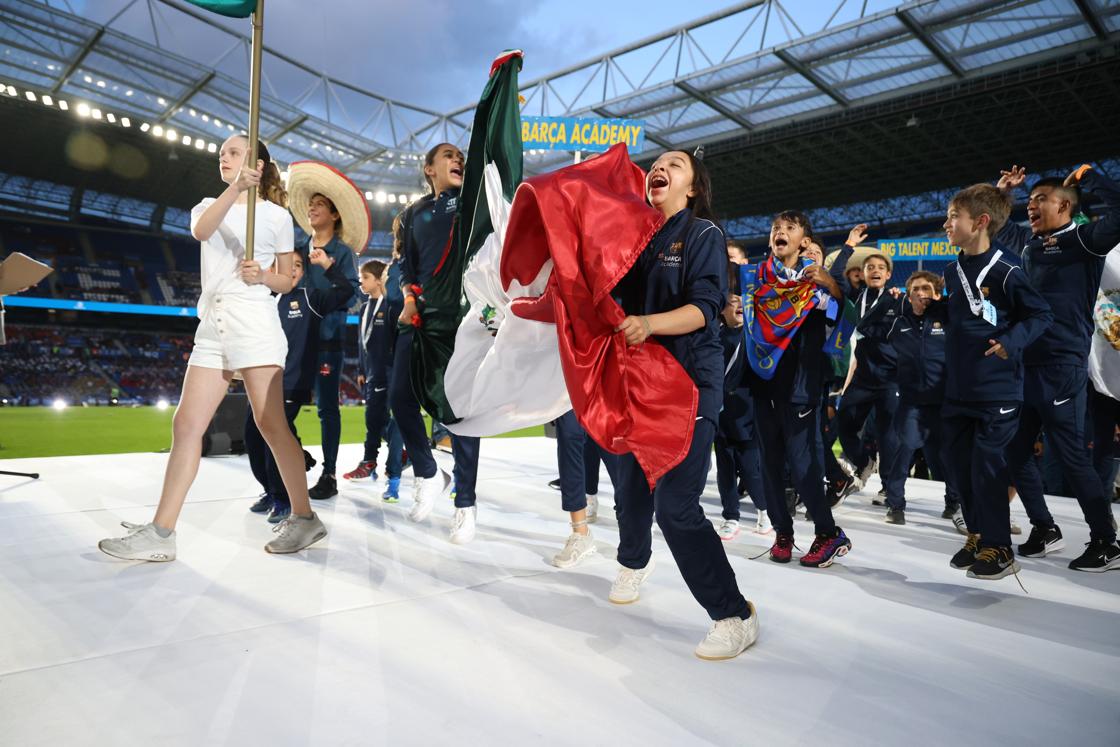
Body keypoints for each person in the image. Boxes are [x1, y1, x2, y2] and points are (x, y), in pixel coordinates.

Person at [98, 136, 328, 560]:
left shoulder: (277, 217)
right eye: (221, 153)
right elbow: (201, 232)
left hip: (255, 322)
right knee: (186, 426)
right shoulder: (208, 205)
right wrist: (237, 188)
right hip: (213, 325)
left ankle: (304, 517)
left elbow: (286, 280)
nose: (224, 157)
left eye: (234, 152)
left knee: (271, 424)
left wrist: (262, 277)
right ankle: (161, 533)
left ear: (257, 163)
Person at [610, 149, 758, 661]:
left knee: (675, 506)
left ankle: (733, 613)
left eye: (675, 164)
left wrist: (648, 324)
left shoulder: (703, 234)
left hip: (690, 384)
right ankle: (633, 559)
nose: (660, 167)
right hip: (636, 383)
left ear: (692, 188)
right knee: (630, 490)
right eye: (657, 162)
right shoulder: (634, 237)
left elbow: (704, 309)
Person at [995, 164, 1120, 571]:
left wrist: (1091, 176)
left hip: (1062, 363)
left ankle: (1106, 540)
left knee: (1070, 456)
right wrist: (1004, 195)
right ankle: (1044, 527)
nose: (1030, 207)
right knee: (1014, 449)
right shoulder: (1031, 244)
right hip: (1026, 364)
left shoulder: (1087, 240)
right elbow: (995, 225)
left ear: (1064, 205)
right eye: (1028, 202)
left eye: (1039, 200)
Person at [940, 184, 1052, 580]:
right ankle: (978, 534)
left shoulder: (1007, 269)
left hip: (997, 391)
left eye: (955, 216)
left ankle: (1000, 547)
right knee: (958, 467)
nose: (946, 223)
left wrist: (1010, 342)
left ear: (981, 222)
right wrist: (933, 308)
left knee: (988, 468)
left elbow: (1040, 316)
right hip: (958, 390)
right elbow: (962, 318)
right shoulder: (952, 270)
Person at [743, 210, 853, 567]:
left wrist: (830, 285)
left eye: (789, 228)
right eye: (775, 227)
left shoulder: (816, 282)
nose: (780, 232)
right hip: (762, 383)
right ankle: (782, 532)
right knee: (770, 465)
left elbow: (846, 317)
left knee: (804, 464)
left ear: (804, 240)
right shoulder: (755, 277)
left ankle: (828, 533)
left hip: (801, 386)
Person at [394, 143, 482, 544]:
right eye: (448, 155)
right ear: (429, 169)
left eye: (460, 155)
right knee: (399, 397)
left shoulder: (471, 202)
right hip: (421, 315)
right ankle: (430, 472)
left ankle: (465, 504)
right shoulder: (412, 214)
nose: (457, 159)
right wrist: (410, 298)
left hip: (460, 318)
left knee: (460, 413)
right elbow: (405, 266)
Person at [245, 246, 355, 524]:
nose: (292, 269)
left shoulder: (310, 298)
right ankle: (271, 490)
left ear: (303, 273)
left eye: (297, 265)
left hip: (293, 383)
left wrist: (328, 265)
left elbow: (345, 292)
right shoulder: (265, 301)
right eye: (287, 264)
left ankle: (284, 499)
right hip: (262, 382)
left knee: (274, 437)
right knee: (251, 436)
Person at [858, 271, 961, 527]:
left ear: (937, 294)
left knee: (949, 456)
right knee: (902, 453)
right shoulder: (899, 323)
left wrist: (941, 304)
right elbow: (864, 328)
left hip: (945, 402)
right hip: (911, 402)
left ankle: (954, 503)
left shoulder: (949, 319)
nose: (920, 293)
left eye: (926, 289)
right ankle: (895, 505)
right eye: (915, 289)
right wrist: (887, 302)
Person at [303, 193, 360, 501]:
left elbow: (352, 296)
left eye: (320, 205)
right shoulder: (297, 248)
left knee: (327, 409)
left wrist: (328, 268)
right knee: (280, 406)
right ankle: (295, 455)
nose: (312, 208)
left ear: (335, 215)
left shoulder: (343, 253)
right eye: (310, 204)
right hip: (295, 340)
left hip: (327, 343)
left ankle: (329, 474)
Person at [837, 241, 901, 493]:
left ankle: (890, 489)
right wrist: (848, 247)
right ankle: (864, 462)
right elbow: (835, 276)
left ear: (888, 275)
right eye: (869, 267)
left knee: (888, 436)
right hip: (862, 376)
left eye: (880, 267)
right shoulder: (855, 297)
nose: (875, 270)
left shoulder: (898, 300)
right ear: (862, 274)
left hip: (890, 378)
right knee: (844, 424)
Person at [343, 260, 404, 491]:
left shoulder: (390, 305)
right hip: (371, 372)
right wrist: (360, 369)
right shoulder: (363, 307)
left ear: (379, 280)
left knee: (376, 419)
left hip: (389, 371)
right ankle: (395, 456)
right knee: (375, 419)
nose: (361, 281)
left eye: (365, 277)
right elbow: (362, 342)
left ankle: (373, 461)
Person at [714, 279, 768, 538]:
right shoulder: (713, 336)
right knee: (724, 470)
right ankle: (730, 516)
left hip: (748, 416)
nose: (737, 305)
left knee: (751, 469)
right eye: (731, 302)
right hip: (720, 415)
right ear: (722, 310)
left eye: (741, 302)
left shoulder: (755, 338)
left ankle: (764, 511)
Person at [550, 410, 620, 568]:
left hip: (609, 389)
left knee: (612, 441)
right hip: (568, 390)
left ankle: (631, 529)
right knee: (569, 434)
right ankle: (580, 532)